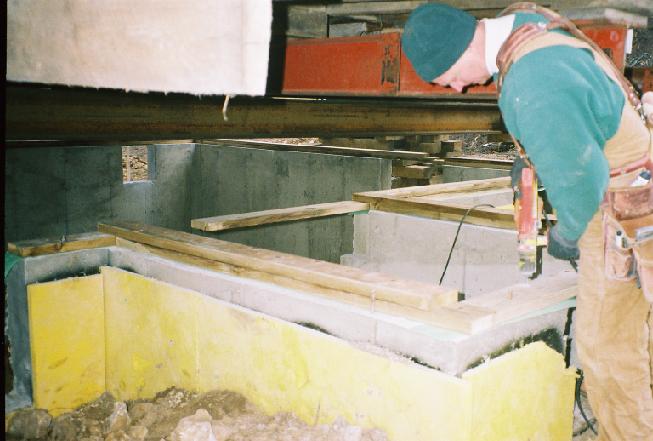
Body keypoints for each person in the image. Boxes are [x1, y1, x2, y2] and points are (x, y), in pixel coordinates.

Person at [401, 3, 653, 440]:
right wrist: (531, 155)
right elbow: (577, 112)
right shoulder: (527, 29)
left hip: (619, 212)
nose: (458, 88)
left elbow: (583, 178)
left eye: (448, 77)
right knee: (626, 338)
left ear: (463, 46)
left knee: (605, 353)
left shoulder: (529, 80)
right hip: (632, 189)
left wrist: (568, 234)